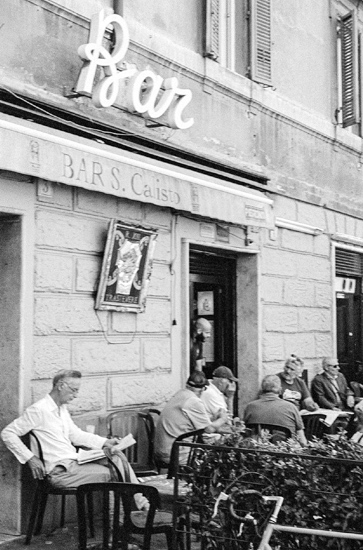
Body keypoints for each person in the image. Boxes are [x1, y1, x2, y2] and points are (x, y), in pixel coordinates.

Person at [1, 370, 148, 510]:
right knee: (117, 473)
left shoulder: (62, 409)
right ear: (60, 386)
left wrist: (104, 442)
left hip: (74, 462)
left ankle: (137, 509)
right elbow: (8, 433)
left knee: (117, 458)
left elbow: (75, 435)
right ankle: (129, 518)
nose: (76, 395)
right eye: (74, 390)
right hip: (60, 471)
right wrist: (30, 458)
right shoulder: (38, 410)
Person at [154, 370, 229, 466]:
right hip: (176, 454)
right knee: (220, 459)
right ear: (203, 389)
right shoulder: (193, 401)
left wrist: (214, 420)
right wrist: (223, 418)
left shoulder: (180, 394)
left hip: (163, 450)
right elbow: (207, 431)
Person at [243, 374, 307, 445]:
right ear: (280, 390)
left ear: (261, 390)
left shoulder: (250, 407)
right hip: (284, 453)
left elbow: (244, 433)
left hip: (257, 452)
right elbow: (302, 442)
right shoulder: (291, 408)